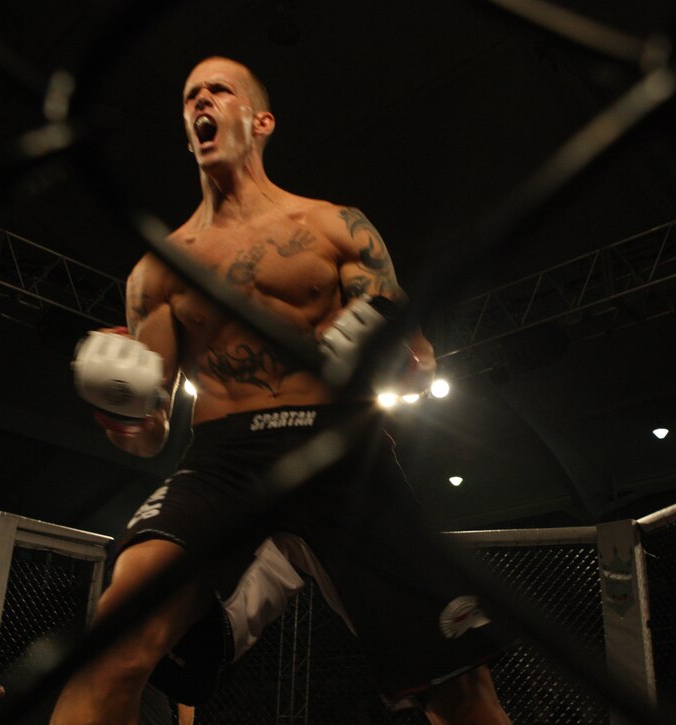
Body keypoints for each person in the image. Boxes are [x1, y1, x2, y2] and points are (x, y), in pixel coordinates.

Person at [52, 56, 510, 725]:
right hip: (222, 461)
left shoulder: (335, 227)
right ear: (188, 127)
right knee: (112, 642)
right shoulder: (158, 269)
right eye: (191, 95)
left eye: (219, 89)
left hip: (341, 451)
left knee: (459, 688)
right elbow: (150, 431)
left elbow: (417, 354)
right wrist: (120, 413)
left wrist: (382, 356)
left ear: (260, 120)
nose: (202, 99)